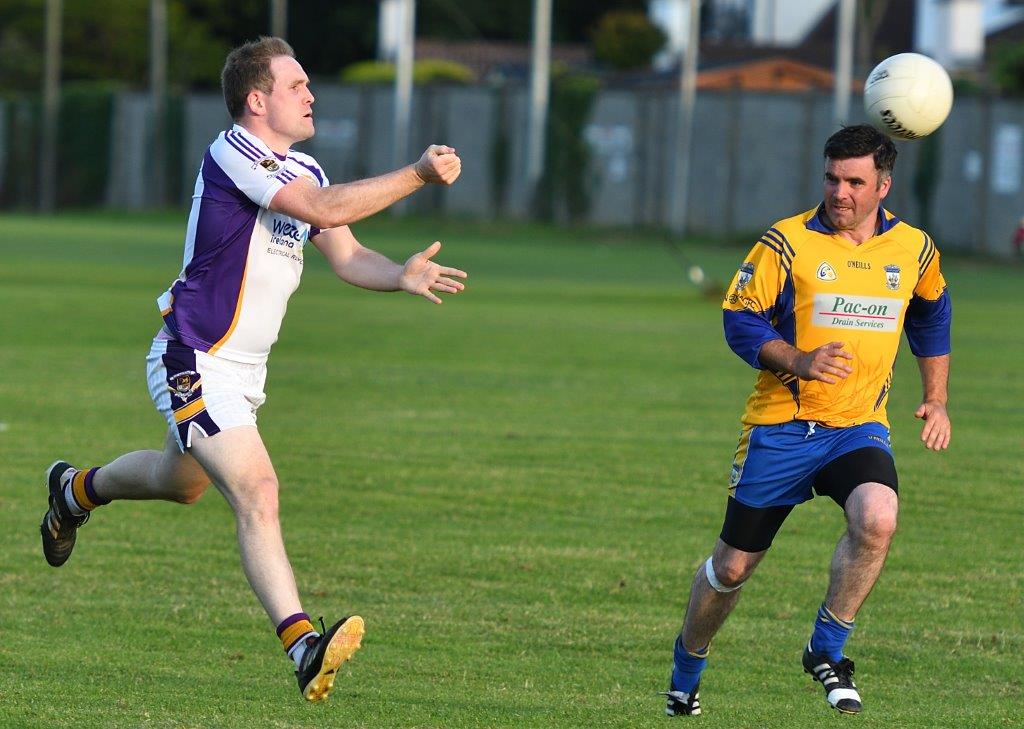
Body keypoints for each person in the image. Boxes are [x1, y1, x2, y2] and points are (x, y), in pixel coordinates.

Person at [39, 36, 467, 703]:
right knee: (258, 490)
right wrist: (416, 173)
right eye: (296, 85)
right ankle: (302, 644)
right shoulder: (234, 150)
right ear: (257, 98)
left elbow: (349, 255)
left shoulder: (306, 170)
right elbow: (323, 211)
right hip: (194, 359)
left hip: (242, 374)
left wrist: (400, 274)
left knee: (178, 482)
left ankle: (74, 490)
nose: (310, 94)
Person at [663, 124, 952, 717]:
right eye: (831, 178)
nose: (839, 192)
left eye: (854, 181)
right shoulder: (787, 242)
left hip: (857, 429)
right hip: (781, 427)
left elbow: (931, 313)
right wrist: (799, 360)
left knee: (878, 516)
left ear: (883, 185)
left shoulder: (915, 249)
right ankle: (688, 663)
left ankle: (827, 648)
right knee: (733, 566)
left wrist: (937, 397)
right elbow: (739, 320)